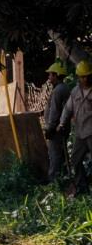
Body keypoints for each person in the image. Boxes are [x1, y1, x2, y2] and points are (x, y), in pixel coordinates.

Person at [61, 59, 92, 195]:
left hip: (91, 133)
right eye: (82, 76)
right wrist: (62, 123)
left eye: (87, 76)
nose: (84, 79)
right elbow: (68, 109)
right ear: (78, 77)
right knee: (75, 159)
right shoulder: (75, 91)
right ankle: (82, 186)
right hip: (80, 133)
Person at [43, 60, 72, 180]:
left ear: (56, 75)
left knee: (54, 155)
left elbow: (55, 112)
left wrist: (50, 128)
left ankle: (53, 182)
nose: (49, 77)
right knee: (60, 155)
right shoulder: (63, 88)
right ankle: (63, 178)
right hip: (62, 127)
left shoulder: (58, 90)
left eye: (51, 74)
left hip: (56, 129)